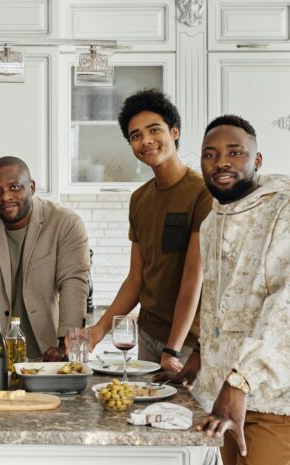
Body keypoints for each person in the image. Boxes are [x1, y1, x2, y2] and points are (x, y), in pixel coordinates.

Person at [156, 115, 290, 464]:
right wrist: (199, 359)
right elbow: (222, 303)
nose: (221, 163)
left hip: (273, 402)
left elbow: (285, 309)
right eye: (210, 155)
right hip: (223, 398)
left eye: (235, 153)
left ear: (257, 160)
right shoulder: (213, 220)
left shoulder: (284, 210)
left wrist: (239, 382)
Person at [88, 89, 212, 372]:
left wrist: (172, 349)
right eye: (135, 136)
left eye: (154, 130)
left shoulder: (202, 193)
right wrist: (99, 330)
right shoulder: (140, 199)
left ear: (175, 132)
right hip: (147, 334)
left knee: (185, 415)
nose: (145, 141)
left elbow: (194, 278)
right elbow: (136, 279)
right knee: (146, 414)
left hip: (188, 342)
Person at [0, 156, 90, 361]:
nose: (5, 197)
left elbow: (73, 283)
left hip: (50, 351)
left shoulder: (65, 223)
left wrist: (66, 342)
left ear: (31, 187)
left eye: (14, 187)